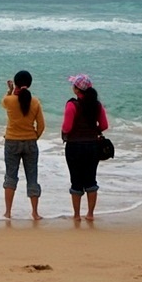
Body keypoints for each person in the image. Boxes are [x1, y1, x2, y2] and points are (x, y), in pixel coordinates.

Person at [62, 73, 110, 220]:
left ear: (77, 89)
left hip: (74, 147)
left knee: (76, 180)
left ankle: (76, 215)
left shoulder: (72, 105)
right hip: (92, 146)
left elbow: (67, 128)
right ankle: (90, 214)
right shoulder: (97, 105)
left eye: (74, 85)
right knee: (91, 180)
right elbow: (104, 125)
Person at [1, 70, 45, 219]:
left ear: (16, 84)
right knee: (32, 177)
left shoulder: (10, 100)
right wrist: (34, 137)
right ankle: (35, 212)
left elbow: (4, 102)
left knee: (10, 177)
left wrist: (10, 91)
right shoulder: (35, 102)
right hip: (30, 142)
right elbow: (41, 126)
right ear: (30, 84)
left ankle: (8, 212)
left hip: (12, 141)